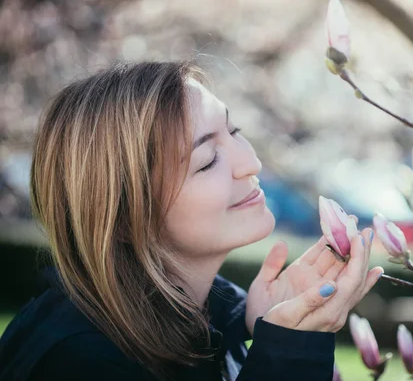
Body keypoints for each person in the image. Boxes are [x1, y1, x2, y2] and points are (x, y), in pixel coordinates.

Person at [0, 61, 383, 380]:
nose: (251, 163)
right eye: (207, 161)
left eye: (234, 131)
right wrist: (288, 356)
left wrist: (252, 325)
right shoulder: (81, 363)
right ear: (122, 218)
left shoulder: (199, 332)